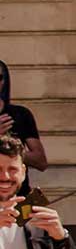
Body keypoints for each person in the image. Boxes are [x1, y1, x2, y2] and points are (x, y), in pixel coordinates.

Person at [0, 59, 49, 188]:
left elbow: (41, 162)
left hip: (18, 198)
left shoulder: (20, 114)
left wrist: (10, 147)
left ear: (4, 82)